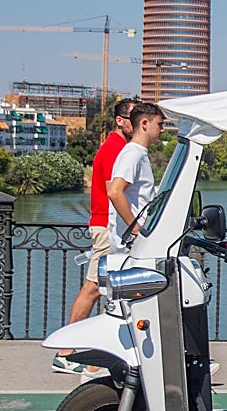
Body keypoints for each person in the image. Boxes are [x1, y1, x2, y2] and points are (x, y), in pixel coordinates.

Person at [52, 98, 135, 374]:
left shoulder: (119, 148)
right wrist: (134, 225)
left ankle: (99, 352)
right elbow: (116, 192)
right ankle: (66, 352)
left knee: (108, 289)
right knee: (92, 288)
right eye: (133, 118)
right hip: (106, 226)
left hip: (108, 226)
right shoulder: (115, 149)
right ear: (120, 121)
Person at [107, 101, 165, 253]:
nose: (163, 129)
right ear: (145, 123)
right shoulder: (133, 154)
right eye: (159, 124)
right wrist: (136, 229)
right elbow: (114, 192)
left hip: (136, 243)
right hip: (133, 245)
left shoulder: (137, 153)